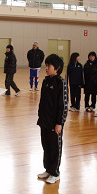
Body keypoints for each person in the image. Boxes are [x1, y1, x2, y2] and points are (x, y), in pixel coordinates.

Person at [37, 54, 68, 184]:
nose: (46, 67)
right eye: (46, 65)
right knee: (46, 146)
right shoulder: (45, 81)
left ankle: (55, 172)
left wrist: (59, 123)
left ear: (57, 68)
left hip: (55, 123)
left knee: (55, 148)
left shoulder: (61, 83)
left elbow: (63, 105)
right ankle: (48, 169)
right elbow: (42, 101)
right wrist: (40, 116)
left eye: (49, 65)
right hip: (44, 121)